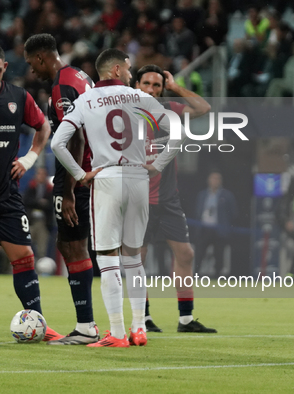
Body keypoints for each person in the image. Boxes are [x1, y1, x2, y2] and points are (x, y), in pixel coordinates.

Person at [51, 48, 182, 347]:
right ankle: (139, 328)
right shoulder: (139, 97)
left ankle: (118, 334)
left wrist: (81, 174)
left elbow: (58, 143)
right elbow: (176, 130)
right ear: (115, 71)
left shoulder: (85, 100)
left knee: (107, 258)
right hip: (138, 178)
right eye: (127, 67)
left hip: (106, 177)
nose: (130, 72)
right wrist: (158, 165)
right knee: (133, 257)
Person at [0, 44, 61, 343]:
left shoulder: (19, 97)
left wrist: (30, 158)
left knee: (25, 258)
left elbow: (43, 127)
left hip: (7, 196)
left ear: (4, 67)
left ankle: (39, 324)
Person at [23, 33, 98, 345]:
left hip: (75, 176)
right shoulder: (80, 76)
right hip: (87, 171)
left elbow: (75, 136)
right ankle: (89, 324)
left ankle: (86, 326)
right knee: (75, 247)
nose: (31, 71)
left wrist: (67, 189)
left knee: (72, 247)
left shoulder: (61, 85)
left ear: (42, 58)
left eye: (31, 64)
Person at [134, 64, 216, 334]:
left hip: (168, 200)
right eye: (146, 83)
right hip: (138, 199)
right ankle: (143, 318)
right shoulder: (125, 112)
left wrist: (177, 88)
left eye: (156, 85)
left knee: (185, 253)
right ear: (137, 85)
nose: (151, 89)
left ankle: (185, 319)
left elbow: (204, 108)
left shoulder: (171, 110)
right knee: (139, 258)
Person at [194, 172, 237, 278]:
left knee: (219, 255)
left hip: (219, 230)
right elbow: (198, 211)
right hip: (204, 229)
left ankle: (218, 277)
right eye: (213, 178)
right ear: (208, 180)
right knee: (199, 254)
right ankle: (195, 275)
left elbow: (234, 213)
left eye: (218, 178)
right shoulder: (202, 194)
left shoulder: (227, 195)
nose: (215, 181)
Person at [22, 167, 54, 261]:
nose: (41, 176)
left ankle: (41, 269)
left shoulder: (49, 189)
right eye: (39, 174)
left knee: (42, 248)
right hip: (31, 221)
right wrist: (40, 202)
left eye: (43, 174)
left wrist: (38, 204)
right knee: (26, 246)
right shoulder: (31, 187)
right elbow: (26, 201)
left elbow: (50, 205)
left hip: (43, 222)